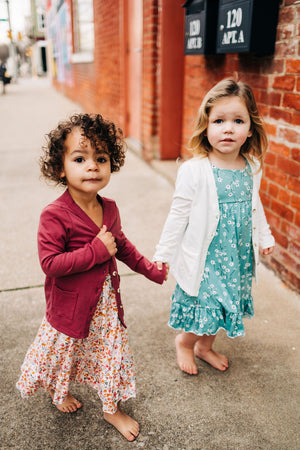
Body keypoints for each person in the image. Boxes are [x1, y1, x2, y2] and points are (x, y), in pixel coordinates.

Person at [16, 113, 168, 441]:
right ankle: (60, 393)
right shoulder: (55, 215)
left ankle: (111, 408)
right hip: (68, 308)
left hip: (105, 309)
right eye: (80, 158)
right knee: (64, 355)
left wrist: (150, 270)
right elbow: (51, 263)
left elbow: (122, 246)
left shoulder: (109, 208)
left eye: (101, 158)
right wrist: (96, 251)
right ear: (60, 167)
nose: (93, 166)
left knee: (108, 355)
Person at [154, 78, 275, 376]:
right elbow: (177, 216)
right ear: (206, 127)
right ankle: (185, 342)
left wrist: (265, 236)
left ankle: (205, 347)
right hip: (206, 258)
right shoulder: (194, 171)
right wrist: (163, 255)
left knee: (223, 307)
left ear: (250, 129)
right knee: (204, 307)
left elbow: (253, 205)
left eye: (238, 121)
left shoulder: (252, 167)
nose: (228, 128)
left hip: (235, 256)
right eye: (219, 120)